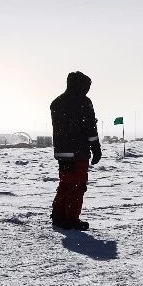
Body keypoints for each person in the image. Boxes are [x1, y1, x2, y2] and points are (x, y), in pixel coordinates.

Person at [50, 71, 101, 230]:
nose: (87, 90)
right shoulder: (83, 102)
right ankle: (71, 219)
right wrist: (96, 148)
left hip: (61, 153)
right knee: (77, 185)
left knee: (65, 183)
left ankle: (58, 215)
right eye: (86, 87)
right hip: (77, 152)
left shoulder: (56, 102)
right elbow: (89, 127)